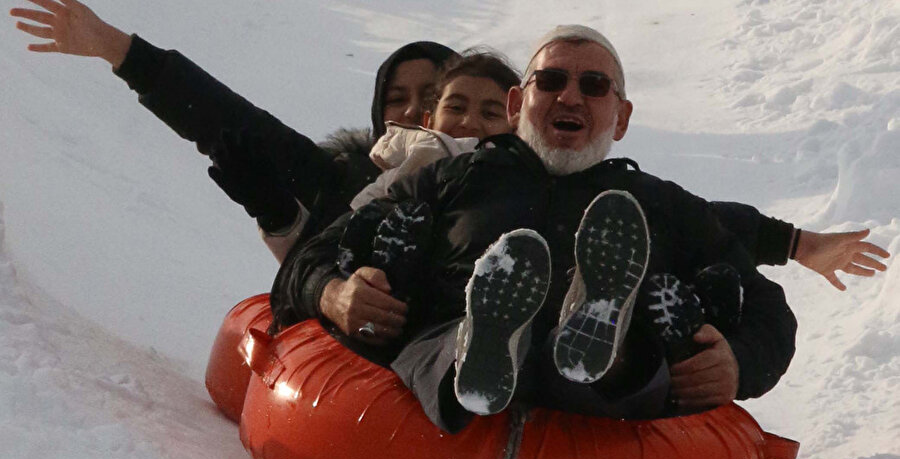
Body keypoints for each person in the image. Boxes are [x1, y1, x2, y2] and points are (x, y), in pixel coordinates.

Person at [10, 1, 890, 279]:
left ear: (510, 113)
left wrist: (795, 243)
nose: (441, 117)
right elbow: (233, 120)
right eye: (417, 103)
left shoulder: (547, 169)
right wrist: (123, 52)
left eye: (470, 104)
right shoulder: (374, 176)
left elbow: (691, 214)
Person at [270, 25, 800, 433]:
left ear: (621, 117)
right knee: (448, 342)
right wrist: (334, 293)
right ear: (518, 103)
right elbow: (312, 255)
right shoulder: (451, 179)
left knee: (614, 359)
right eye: (551, 81)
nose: (570, 97)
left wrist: (737, 361)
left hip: (607, 399)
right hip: (445, 337)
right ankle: (487, 348)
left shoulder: (657, 205)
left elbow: (767, 308)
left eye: (593, 86)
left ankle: (594, 340)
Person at [9, 0, 456, 263]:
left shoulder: (501, 178)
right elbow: (233, 122)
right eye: (398, 99)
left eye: (435, 97)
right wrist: (119, 50)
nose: (415, 110)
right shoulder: (344, 181)